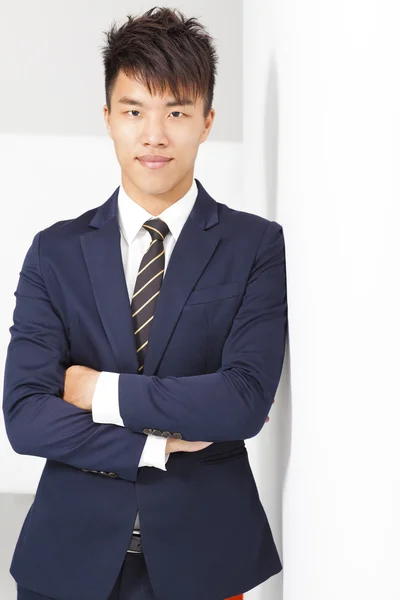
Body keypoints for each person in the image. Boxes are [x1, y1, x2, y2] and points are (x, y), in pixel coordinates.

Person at [2, 6, 287, 600]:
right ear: (108, 118)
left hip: (204, 559)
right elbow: (27, 416)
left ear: (207, 121)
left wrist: (93, 391)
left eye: (177, 112)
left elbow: (239, 403)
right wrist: (153, 444)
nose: (154, 136)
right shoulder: (55, 253)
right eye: (134, 112)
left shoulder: (254, 246)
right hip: (68, 559)